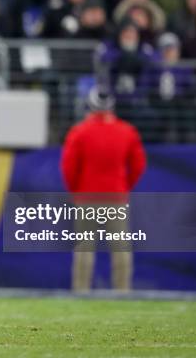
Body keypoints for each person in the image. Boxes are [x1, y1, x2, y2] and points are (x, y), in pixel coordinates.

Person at [61, 87, 147, 292]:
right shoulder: (127, 131)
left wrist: (76, 191)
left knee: (84, 250)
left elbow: (68, 167)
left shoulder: (80, 132)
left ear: (90, 106)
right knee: (121, 250)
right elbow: (139, 165)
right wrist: (124, 187)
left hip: (87, 196)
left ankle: (81, 291)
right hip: (116, 197)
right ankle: (122, 291)